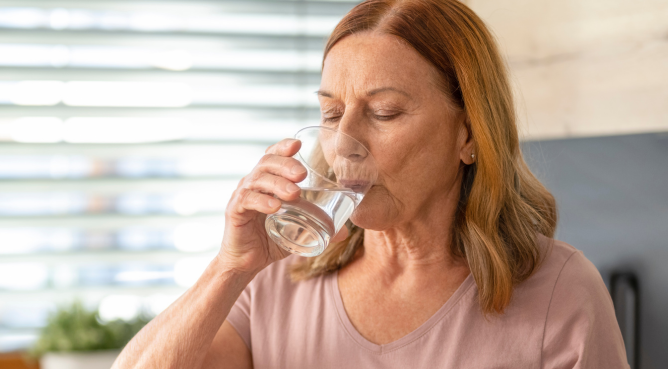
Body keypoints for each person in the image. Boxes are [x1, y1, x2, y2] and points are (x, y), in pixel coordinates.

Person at [113, 0, 630, 368]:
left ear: (468, 133)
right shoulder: (272, 286)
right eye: (333, 113)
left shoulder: (561, 294)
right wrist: (229, 268)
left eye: (384, 112)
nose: (344, 143)